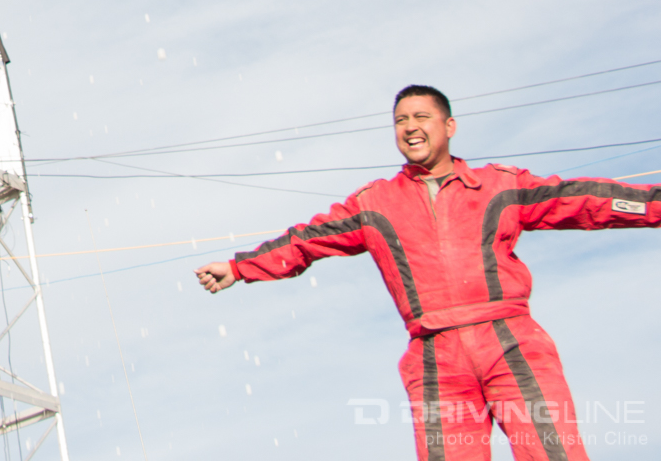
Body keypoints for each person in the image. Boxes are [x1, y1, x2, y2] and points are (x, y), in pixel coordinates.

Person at [196, 85, 659, 461]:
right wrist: (241, 267)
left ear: (449, 126)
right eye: (401, 121)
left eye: (421, 117)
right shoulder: (375, 204)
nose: (410, 128)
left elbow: (581, 198)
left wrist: (654, 204)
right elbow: (307, 239)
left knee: (551, 451)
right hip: (435, 354)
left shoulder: (500, 187)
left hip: (510, 340)